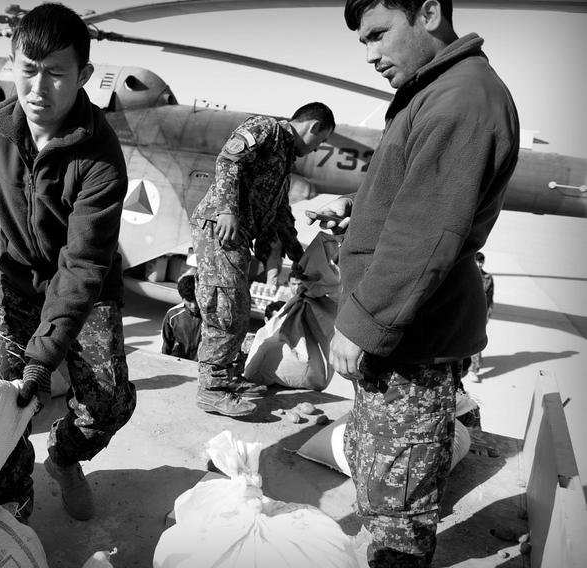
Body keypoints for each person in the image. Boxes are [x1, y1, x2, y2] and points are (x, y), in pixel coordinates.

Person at [310, 1, 520, 565]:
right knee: (381, 475)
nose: (372, 55)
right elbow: (411, 194)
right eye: (364, 43)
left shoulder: (460, 100)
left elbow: (425, 232)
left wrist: (360, 325)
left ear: (427, 12)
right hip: (402, 335)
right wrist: (358, 209)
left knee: (398, 510)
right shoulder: (441, 90)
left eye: (380, 34)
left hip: (410, 338)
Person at [0, 3, 136, 523]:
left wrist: (44, 357)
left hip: (87, 293)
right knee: (4, 401)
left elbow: (83, 265)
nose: (38, 89)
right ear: (12, 63)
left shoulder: (102, 156)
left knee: (108, 405)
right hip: (17, 280)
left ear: (83, 75)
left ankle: (65, 459)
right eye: (27, 70)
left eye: (56, 74)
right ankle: (11, 502)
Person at [190, 102, 335, 417]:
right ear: (314, 128)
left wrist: (297, 258)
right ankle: (212, 389)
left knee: (239, 308)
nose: (316, 149)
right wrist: (228, 210)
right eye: (321, 141)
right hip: (220, 228)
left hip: (237, 234)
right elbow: (228, 160)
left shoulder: (283, 159)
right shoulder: (267, 129)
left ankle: (226, 379)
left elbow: (280, 214)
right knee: (225, 307)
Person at [466, 251, 494, 379]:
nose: (479, 264)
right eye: (477, 261)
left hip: (479, 315)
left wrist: (486, 315)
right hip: (465, 313)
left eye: (481, 261)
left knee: (476, 340)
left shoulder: (487, 278)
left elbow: (489, 298)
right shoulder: (466, 275)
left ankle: (474, 368)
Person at [161, 274, 203, 361]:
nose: (194, 305)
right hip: (179, 362)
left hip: (201, 365)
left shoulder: (209, 315)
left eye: (196, 300)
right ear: (182, 298)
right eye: (189, 302)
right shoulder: (172, 315)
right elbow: (166, 343)